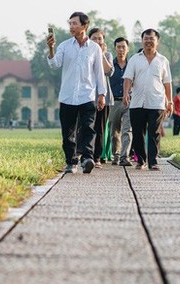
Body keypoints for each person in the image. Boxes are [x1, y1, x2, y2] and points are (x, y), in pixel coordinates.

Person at [47, 12, 106, 174]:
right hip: (67, 96)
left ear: (84, 26)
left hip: (87, 95)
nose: (71, 26)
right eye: (70, 23)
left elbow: (99, 73)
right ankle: (71, 162)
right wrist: (51, 48)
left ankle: (87, 158)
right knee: (68, 132)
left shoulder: (94, 49)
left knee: (88, 128)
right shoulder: (64, 46)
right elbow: (54, 64)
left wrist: (102, 94)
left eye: (74, 23)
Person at [123, 28, 172, 171]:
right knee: (138, 132)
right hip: (137, 102)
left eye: (151, 39)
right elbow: (128, 78)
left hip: (156, 102)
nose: (148, 41)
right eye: (146, 38)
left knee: (154, 132)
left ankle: (153, 161)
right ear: (142, 40)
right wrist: (126, 93)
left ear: (157, 41)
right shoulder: (134, 59)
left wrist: (169, 101)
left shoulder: (163, 61)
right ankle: (141, 160)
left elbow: (167, 82)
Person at [88, 27, 114, 168]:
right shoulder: (85, 54)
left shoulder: (108, 55)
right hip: (86, 96)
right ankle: (85, 155)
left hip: (104, 97)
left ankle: (97, 157)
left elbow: (109, 71)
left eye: (100, 38)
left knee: (100, 128)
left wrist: (102, 54)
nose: (97, 41)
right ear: (89, 39)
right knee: (86, 127)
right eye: (94, 38)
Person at [108, 37, 133, 166]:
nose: (121, 49)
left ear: (128, 49)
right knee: (114, 131)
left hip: (129, 101)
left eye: (124, 47)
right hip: (114, 102)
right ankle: (116, 155)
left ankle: (125, 156)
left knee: (127, 130)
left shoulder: (132, 65)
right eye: (119, 47)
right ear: (115, 48)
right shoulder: (110, 65)